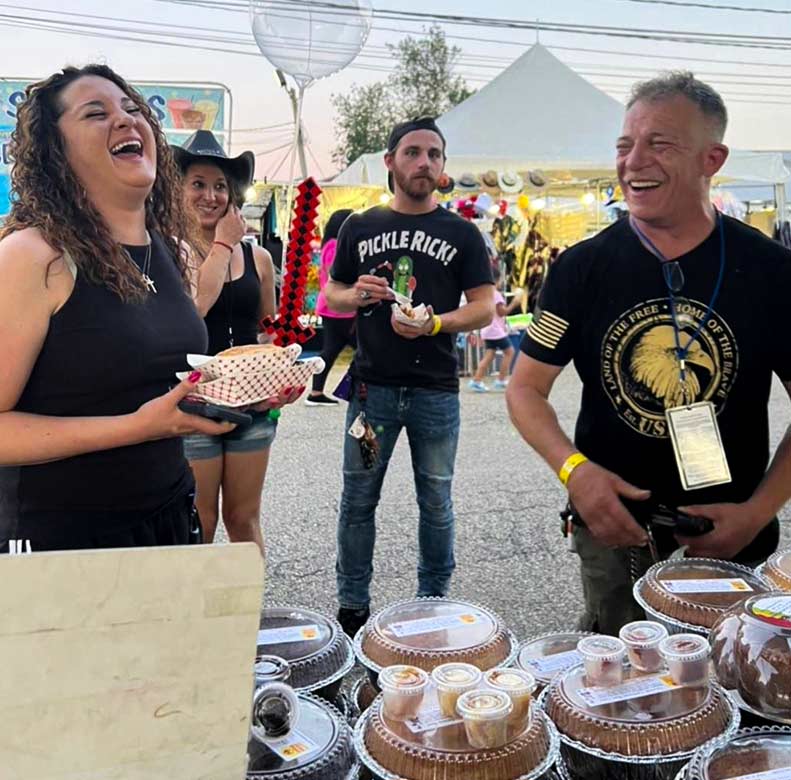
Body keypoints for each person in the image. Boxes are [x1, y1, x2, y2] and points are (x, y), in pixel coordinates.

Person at [506, 72, 791, 635]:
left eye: (660, 143)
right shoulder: (580, 269)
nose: (634, 161)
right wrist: (575, 472)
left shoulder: (770, 271)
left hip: (731, 533)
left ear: (712, 158)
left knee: (736, 674)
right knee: (621, 686)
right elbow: (524, 389)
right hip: (614, 529)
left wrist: (757, 511)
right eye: (624, 144)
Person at [0, 64, 237, 552]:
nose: (127, 120)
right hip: (60, 541)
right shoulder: (33, 255)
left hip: (167, 516)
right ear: (56, 153)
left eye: (133, 109)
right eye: (96, 113)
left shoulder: (171, 250)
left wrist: (237, 393)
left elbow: (154, 377)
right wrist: (137, 427)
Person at [325, 116, 495, 636]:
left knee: (436, 501)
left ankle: (433, 602)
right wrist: (355, 295)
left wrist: (435, 324)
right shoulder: (359, 225)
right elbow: (330, 293)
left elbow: (485, 308)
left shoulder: (461, 232)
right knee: (358, 500)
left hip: (435, 392)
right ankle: (353, 605)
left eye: (435, 154)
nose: (425, 163)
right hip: (371, 390)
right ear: (391, 161)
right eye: (414, 153)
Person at [174, 130, 297, 552]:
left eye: (220, 186)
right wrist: (223, 244)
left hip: (254, 407)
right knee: (200, 520)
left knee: (243, 519)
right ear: (178, 190)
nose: (210, 196)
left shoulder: (259, 257)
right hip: (194, 404)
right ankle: (198, 616)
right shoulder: (171, 253)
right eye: (198, 184)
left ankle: (249, 614)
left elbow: (268, 332)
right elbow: (192, 312)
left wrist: (283, 380)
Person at [305, 208, 356, 406]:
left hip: (333, 307)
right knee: (364, 351)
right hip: (340, 308)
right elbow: (339, 274)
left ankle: (317, 392)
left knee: (331, 350)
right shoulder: (336, 247)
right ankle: (346, 390)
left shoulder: (330, 245)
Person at [469, 267, 523, 392]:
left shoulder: (486, 293)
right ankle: (501, 379)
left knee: (489, 354)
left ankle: (477, 380)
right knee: (510, 352)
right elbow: (502, 312)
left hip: (487, 329)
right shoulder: (496, 294)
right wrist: (514, 303)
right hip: (495, 331)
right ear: (497, 280)